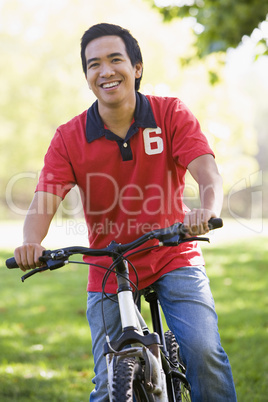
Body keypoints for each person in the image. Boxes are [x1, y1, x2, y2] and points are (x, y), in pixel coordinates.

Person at [14, 23, 237, 401]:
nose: (105, 71)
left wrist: (206, 211)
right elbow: (44, 200)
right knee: (106, 384)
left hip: (173, 252)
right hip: (109, 265)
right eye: (93, 64)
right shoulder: (69, 137)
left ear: (136, 67)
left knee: (203, 353)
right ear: (86, 76)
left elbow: (207, 172)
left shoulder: (169, 114)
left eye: (115, 59)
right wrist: (30, 242)